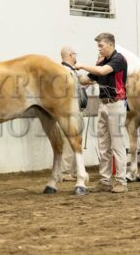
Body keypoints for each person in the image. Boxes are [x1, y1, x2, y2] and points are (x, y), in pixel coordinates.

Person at [75, 33, 128, 193]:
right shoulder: (102, 62)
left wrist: (83, 65)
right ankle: (105, 181)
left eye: (101, 45)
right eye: (98, 46)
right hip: (103, 105)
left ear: (110, 45)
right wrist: (72, 71)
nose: (99, 48)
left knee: (117, 145)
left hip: (116, 105)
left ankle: (121, 181)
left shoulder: (118, 59)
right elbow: (85, 80)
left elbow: (103, 71)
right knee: (103, 145)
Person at [59, 46, 79, 182]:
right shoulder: (63, 71)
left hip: (74, 110)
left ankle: (73, 171)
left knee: (74, 141)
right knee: (67, 141)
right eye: (75, 54)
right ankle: (65, 172)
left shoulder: (71, 71)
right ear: (70, 55)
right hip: (68, 111)